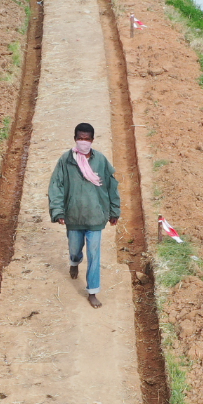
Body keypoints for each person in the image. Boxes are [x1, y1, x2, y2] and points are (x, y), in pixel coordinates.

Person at [47, 122, 120, 308]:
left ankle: (92, 291)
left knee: (94, 254)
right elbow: (56, 186)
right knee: (74, 247)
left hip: (96, 217)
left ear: (92, 140)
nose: (83, 142)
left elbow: (112, 187)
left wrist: (114, 211)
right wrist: (58, 211)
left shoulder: (101, 161)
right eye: (80, 138)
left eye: (87, 139)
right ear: (75, 139)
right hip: (73, 216)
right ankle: (74, 261)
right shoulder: (66, 160)